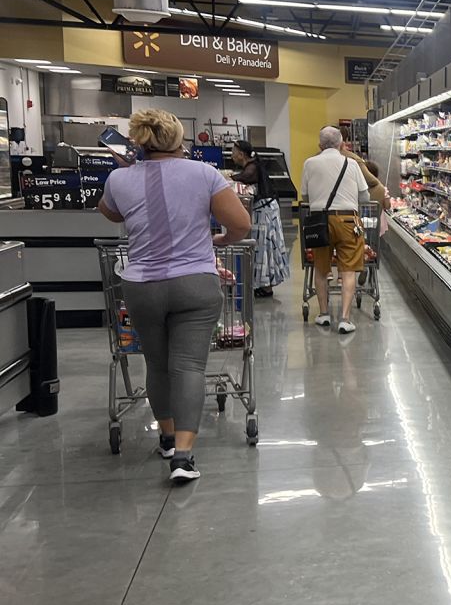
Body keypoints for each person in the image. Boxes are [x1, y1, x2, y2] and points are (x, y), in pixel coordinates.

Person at [97, 108, 251, 482]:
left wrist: (125, 172)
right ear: (180, 139)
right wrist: (218, 240)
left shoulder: (120, 178)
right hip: (194, 284)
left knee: (158, 364)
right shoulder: (204, 174)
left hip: (142, 286)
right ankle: (182, 456)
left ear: (138, 141)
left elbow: (111, 214)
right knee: (189, 367)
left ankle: (165, 436)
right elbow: (241, 224)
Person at [300, 126, 369, 333]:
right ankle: (345, 319)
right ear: (341, 144)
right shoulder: (351, 163)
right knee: (347, 271)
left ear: (319, 145)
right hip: (348, 222)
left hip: (320, 222)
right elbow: (364, 196)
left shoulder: (309, 163)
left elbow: (305, 197)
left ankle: (323, 314)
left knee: (321, 269)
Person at [230, 140, 289, 298]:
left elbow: (244, 177)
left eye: (233, 151)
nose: (231, 154)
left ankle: (265, 285)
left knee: (264, 247)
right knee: (267, 248)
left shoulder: (252, 168)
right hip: (266, 209)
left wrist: (228, 176)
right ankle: (265, 284)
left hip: (265, 212)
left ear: (241, 154)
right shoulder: (254, 165)